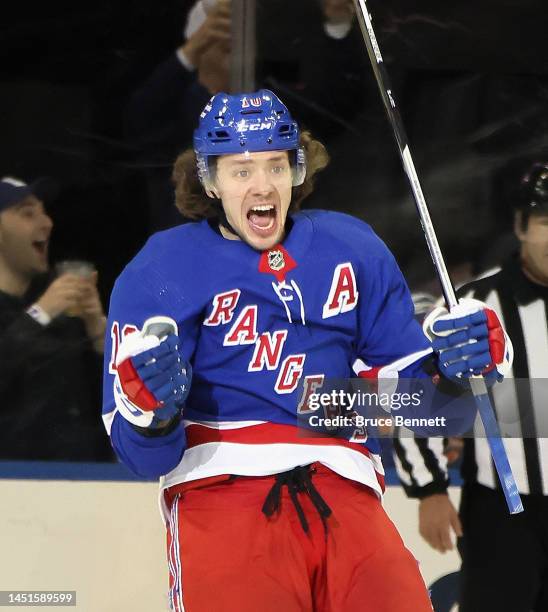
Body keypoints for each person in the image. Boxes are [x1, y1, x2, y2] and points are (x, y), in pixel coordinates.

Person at [103, 90, 512, 611]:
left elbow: (429, 410)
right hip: (221, 495)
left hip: (345, 489)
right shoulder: (161, 269)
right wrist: (149, 415)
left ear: (297, 170)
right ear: (209, 180)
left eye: (276, 165)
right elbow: (140, 458)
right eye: (240, 170)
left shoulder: (352, 247)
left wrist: (460, 369)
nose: (262, 185)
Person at [393, 159, 548, 611]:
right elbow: (417, 395)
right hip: (503, 514)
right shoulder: (472, 306)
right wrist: (429, 489)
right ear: (520, 227)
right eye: (544, 221)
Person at [0, 177, 112, 461]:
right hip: (17, 487)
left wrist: (98, 328)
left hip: (88, 481)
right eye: (27, 213)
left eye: (43, 211)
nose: (47, 223)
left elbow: (116, 401)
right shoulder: (45, 310)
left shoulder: (61, 313)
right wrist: (40, 314)